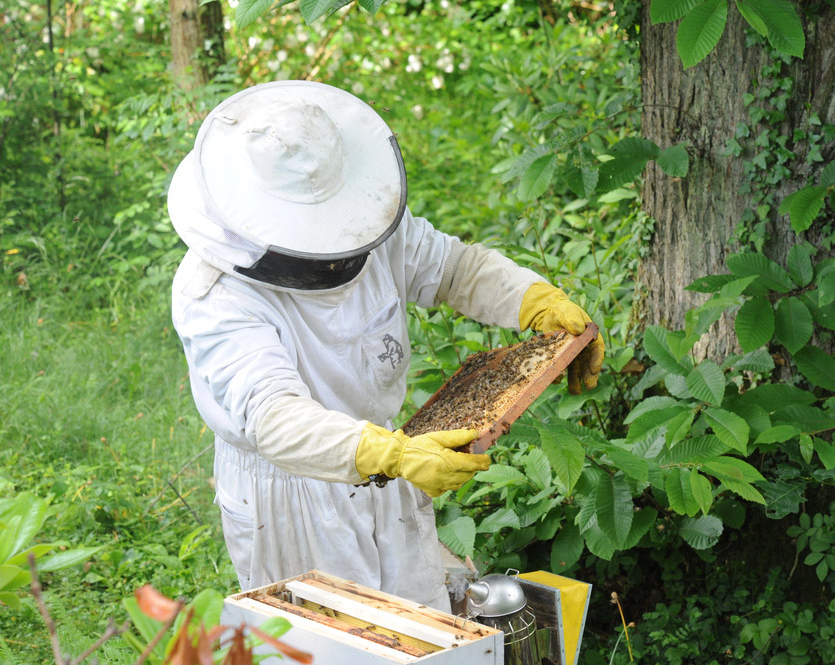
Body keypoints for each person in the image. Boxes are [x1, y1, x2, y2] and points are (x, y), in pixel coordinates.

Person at [167, 80, 605, 611]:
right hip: (291, 491)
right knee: (327, 638)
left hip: (390, 457)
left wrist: (533, 298)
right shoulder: (216, 294)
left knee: (421, 621)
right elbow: (274, 420)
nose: (330, 243)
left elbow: (452, 268)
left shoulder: (361, 222)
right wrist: (390, 454)